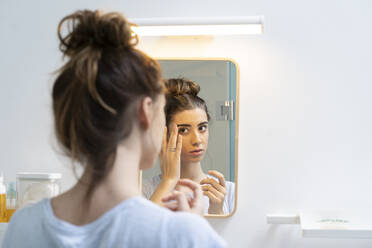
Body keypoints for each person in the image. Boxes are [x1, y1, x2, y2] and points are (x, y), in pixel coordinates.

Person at [2, 10, 226, 248]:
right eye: (162, 111)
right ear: (145, 111)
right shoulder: (181, 233)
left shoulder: (24, 225)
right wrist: (193, 233)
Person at [143, 78, 235, 215]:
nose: (197, 140)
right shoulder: (145, 190)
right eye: (184, 130)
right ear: (164, 134)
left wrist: (217, 212)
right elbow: (139, 232)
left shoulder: (228, 191)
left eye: (202, 128)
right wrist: (168, 181)